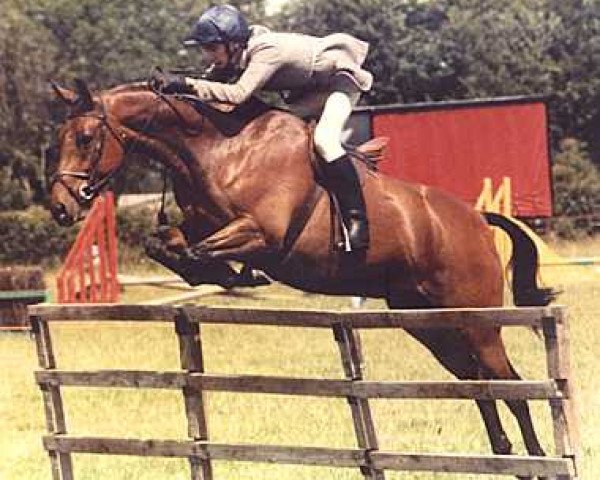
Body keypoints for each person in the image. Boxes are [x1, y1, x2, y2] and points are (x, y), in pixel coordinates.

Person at [154, 4, 373, 251]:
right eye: (205, 49)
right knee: (278, 135)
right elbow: (207, 84)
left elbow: (238, 94)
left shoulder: (267, 52)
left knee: (325, 140)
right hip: (312, 92)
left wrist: (187, 84)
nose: (208, 56)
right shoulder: (236, 54)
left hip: (341, 83)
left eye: (212, 48)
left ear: (233, 44)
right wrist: (170, 86)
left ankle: (357, 222)